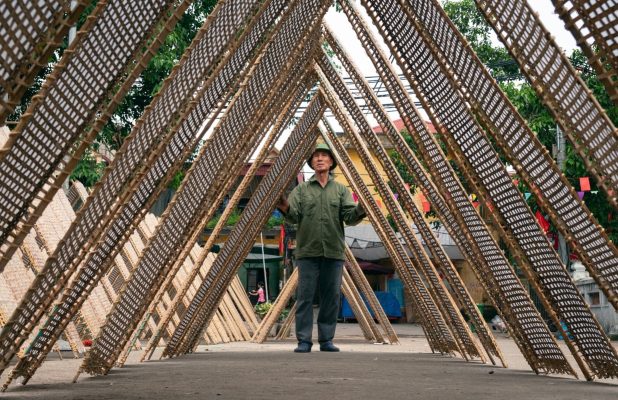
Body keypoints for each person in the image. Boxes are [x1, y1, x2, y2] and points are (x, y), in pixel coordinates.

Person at [278, 143, 365, 353]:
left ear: (331, 162)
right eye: (316, 156)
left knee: (331, 296)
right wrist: (284, 206)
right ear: (311, 163)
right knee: (305, 297)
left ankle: (326, 340)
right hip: (307, 251)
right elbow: (293, 215)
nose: (320, 159)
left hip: (334, 251)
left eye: (324, 156)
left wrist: (362, 206)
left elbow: (350, 217)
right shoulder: (301, 190)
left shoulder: (341, 190)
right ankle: (304, 341)